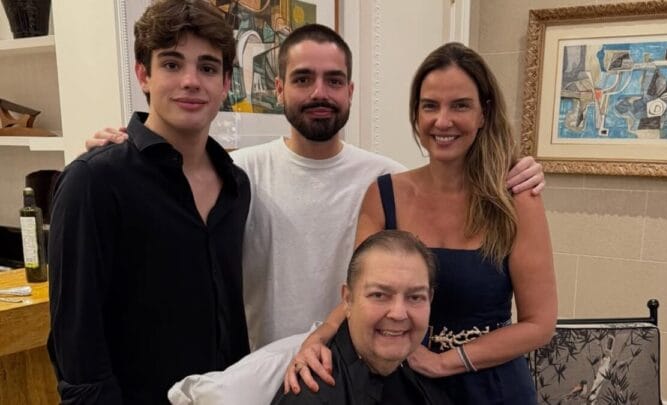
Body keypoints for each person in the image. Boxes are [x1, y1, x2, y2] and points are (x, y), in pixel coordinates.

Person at [86, 25, 546, 353]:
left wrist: (520, 169)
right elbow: (167, 202)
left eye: (334, 81)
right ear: (279, 89)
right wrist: (124, 152)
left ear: (351, 91)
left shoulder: (386, 180)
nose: (319, 93)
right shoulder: (236, 173)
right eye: (303, 79)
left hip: (353, 373)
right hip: (257, 370)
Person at [287, 42, 557, 404]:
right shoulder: (384, 194)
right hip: (405, 385)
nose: (442, 121)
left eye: (460, 105)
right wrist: (318, 338)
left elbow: (539, 325)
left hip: (492, 387)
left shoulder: (516, 198)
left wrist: (445, 362)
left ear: (483, 113)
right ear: (416, 115)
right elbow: (364, 294)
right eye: (430, 106)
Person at [47, 1, 251, 403]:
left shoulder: (236, 185)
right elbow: (77, 343)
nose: (191, 81)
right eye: (172, 64)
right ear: (144, 75)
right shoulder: (94, 181)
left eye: (208, 68)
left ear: (226, 83)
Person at [271, 230, 450, 404]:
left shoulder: (422, 378)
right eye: (379, 295)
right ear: (348, 300)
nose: (398, 314)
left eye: (415, 297)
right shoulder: (312, 396)